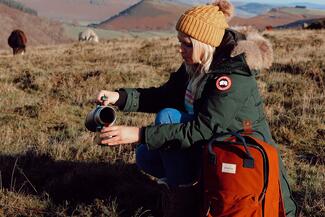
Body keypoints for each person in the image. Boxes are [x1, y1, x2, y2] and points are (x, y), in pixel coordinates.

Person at [94, 0, 297, 216]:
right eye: (180, 42)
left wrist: (139, 133)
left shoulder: (233, 76)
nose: (181, 49)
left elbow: (202, 129)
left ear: (206, 44)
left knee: (167, 118)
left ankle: (181, 206)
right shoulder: (196, 64)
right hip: (210, 144)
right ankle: (189, 190)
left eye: (187, 44)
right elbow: (165, 95)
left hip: (240, 156)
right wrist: (120, 97)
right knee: (146, 155)